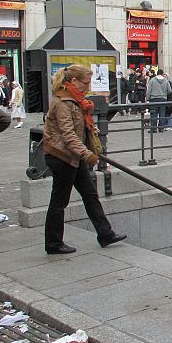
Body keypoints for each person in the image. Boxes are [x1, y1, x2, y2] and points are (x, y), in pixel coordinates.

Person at [43, 64, 126, 254]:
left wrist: (89, 130)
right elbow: (67, 134)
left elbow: (75, 128)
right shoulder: (64, 102)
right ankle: (53, 243)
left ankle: (105, 233)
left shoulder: (75, 100)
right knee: (59, 201)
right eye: (85, 82)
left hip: (72, 155)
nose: (87, 87)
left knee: (90, 194)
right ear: (73, 81)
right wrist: (87, 154)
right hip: (61, 156)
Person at [146, 69, 172, 133]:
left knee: (153, 114)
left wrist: (148, 98)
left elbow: (149, 91)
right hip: (163, 99)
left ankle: (154, 128)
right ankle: (161, 128)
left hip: (153, 99)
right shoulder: (166, 81)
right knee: (162, 114)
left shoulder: (152, 80)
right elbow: (169, 91)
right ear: (162, 73)